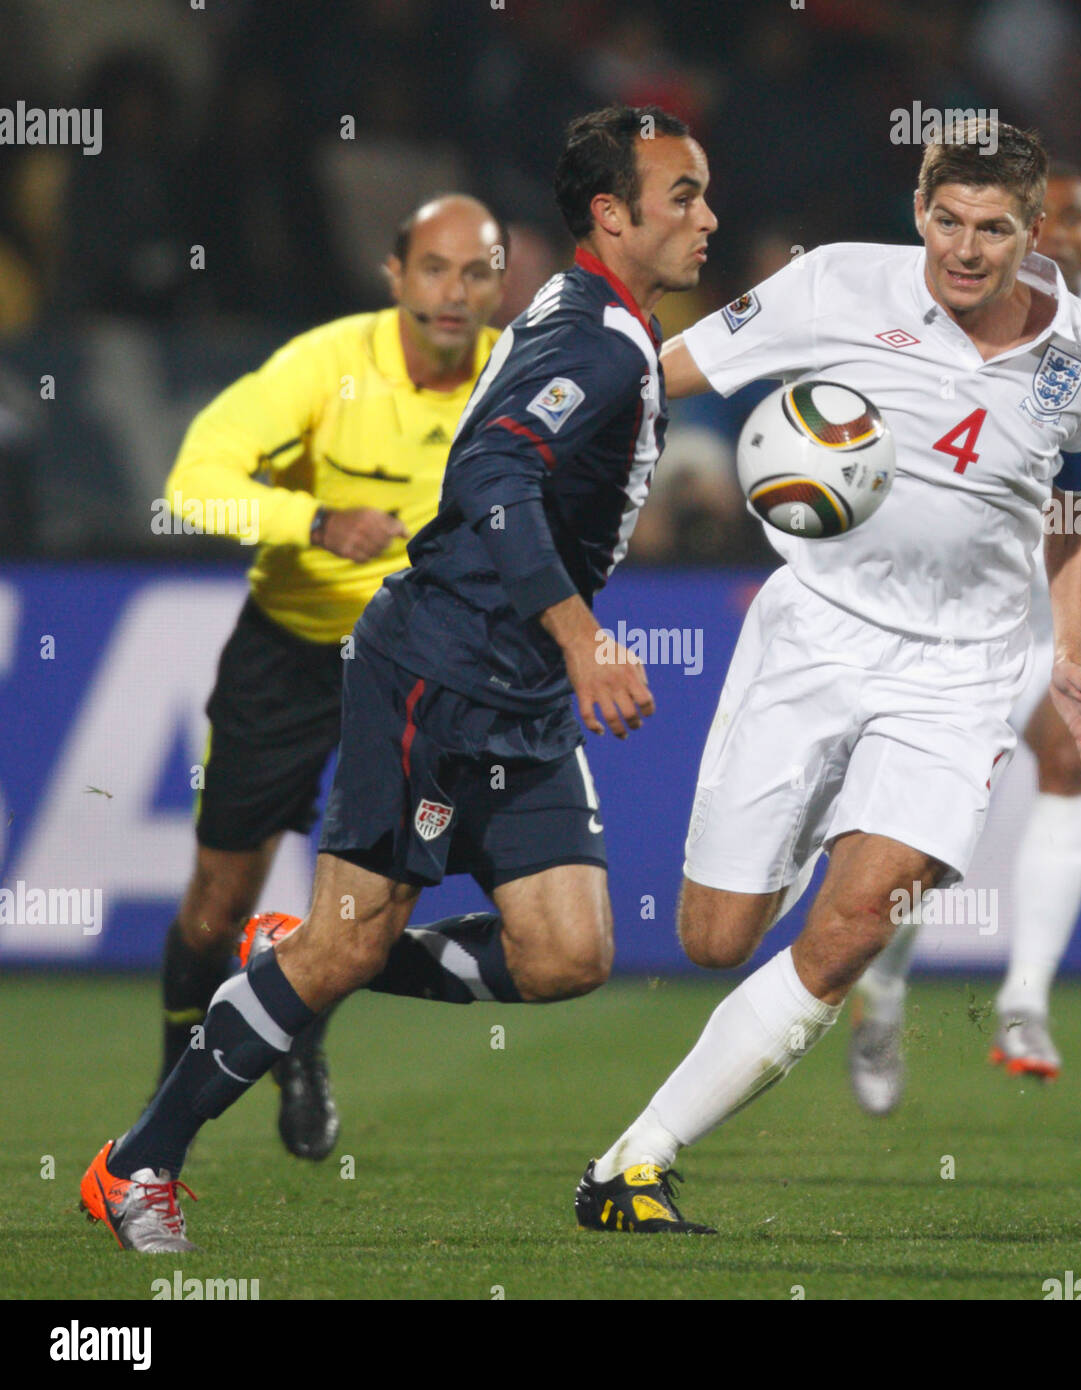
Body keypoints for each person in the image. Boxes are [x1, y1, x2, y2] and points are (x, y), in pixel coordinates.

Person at [79, 103, 716, 1253]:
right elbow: (491, 479)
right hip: (439, 670)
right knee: (345, 945)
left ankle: (309, 956)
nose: (707, 217)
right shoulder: (591, 340)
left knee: (567, 953)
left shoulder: (597, 317)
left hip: (514, 684)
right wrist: (582, 639)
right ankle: (135, 1165)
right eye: (684, 196)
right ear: (613, 215)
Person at [573, 120, 1081, 1234]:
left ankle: (634, 1162)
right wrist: (546, 450)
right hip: (813, 636)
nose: (965, 250)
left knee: (855, 920)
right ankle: (809, 838)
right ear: (921, 208)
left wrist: (1069, 657)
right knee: (715, 939)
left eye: (994, 229)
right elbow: (661, 374)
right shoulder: (834, 284)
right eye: (948, 222)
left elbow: (1075, 513)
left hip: (962, 674)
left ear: (1035, 230)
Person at [151, 194, 506, 1160]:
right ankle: (174, 1078)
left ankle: (297, 1043)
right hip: (292, 652)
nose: (454, 291)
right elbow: (193, 479)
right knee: (218, 903)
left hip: (413, 671)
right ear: (394, 275)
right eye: (434, 268)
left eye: (476, 271)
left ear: (499, 283)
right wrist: (315, 522)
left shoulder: (513, 378)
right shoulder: (326, 365)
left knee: (351, 913)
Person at [849, 162, 1081, 1112]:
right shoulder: (942, 322)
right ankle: (881, 991)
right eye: (1059, 216)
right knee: (924, 827)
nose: (1071, 231)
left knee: (1065, 756)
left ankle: (1023, 1000)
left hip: (1076, 581)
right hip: (967, 597)